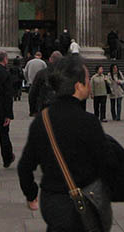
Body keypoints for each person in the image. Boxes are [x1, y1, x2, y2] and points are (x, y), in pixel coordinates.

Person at [17, 55, 109, 230]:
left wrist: (31, 195)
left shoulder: (42, 121)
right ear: (78, 86)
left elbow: (25, 166)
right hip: (84, 200)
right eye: (87, 79)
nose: (89, 83)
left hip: (52, 200)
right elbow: (107, 164)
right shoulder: (89, 122)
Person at [29, 50, 63, 115]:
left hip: (44, 107)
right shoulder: (68, 74)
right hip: (62, 108)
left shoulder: (41, 73)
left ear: (50, 59)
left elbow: (33, 92)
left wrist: (33, 110)